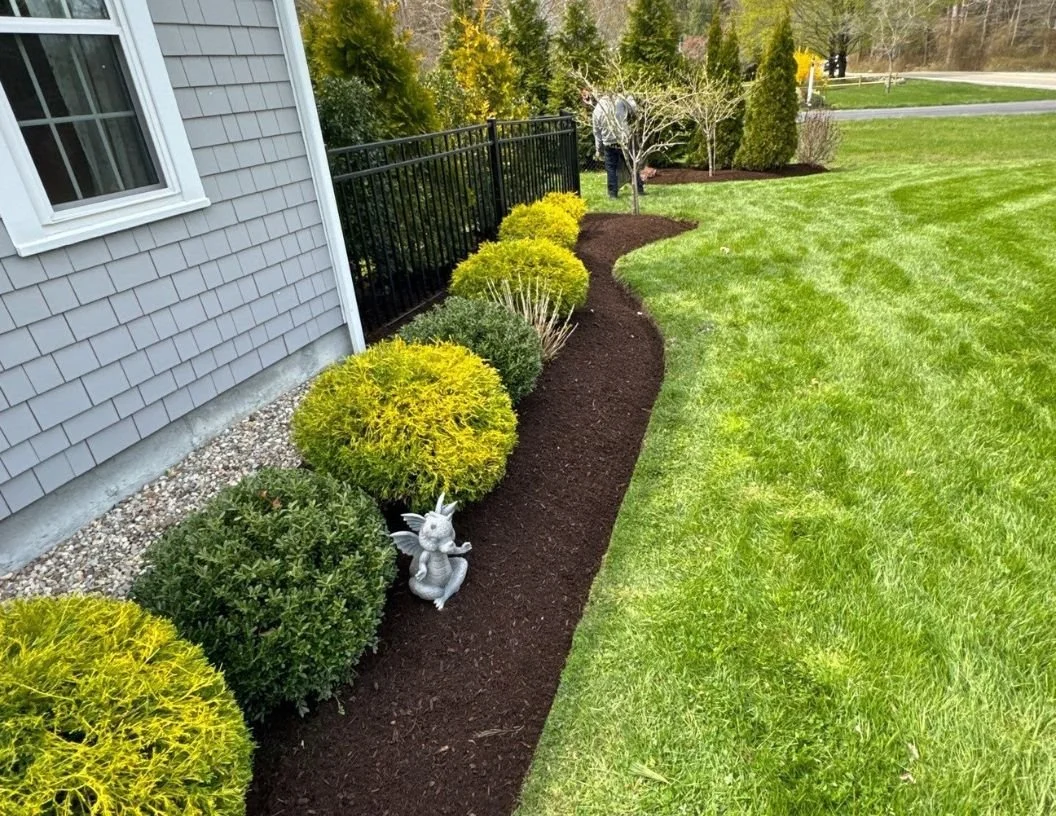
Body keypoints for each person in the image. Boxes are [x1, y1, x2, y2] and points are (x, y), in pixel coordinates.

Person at [589, 91, 644, 200]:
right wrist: (630, 97)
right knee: (631, 166)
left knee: (611, 169)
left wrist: (598, 149)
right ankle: (639, 189)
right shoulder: (620, 100)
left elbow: (597, 132)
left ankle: (612, 193)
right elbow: (634, 110)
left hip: (608, 143)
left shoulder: (597, 110)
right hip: (623, 140)